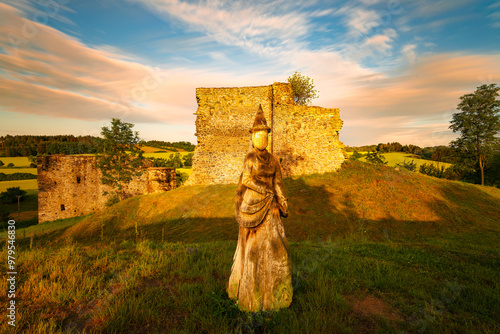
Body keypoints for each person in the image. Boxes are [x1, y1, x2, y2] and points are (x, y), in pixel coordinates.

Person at [228, 105, 292, 312]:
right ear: (252, 137)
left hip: (271, 207)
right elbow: (246, 179)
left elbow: (278, 183)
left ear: (268, 137)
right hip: (252, 205)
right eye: (257, 135)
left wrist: (283, 201)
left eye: (264, 135)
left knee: (276, 247)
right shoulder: (250, 158)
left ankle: (275, 294)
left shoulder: (273, 160)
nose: (261, 139)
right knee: (253, 249)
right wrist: (264, 189)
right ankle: (250, 294)